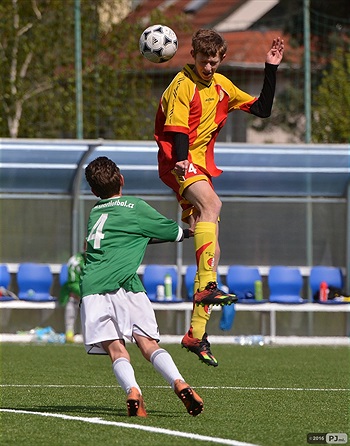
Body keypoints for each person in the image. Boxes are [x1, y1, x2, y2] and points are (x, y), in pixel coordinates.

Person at [154, 29, 284, 367]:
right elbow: (177, 129)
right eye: (203, 61)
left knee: (210, 246)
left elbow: (263, 110)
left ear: (220, 59)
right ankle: (209, 286)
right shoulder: (182, 85)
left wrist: (270, 68)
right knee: (213, 205)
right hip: (177, 161)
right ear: (193, 57)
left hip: (199, 166)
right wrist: (182, 159)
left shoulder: (223, 85)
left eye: (213, 61)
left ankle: (196, 333)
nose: (208, 67)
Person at [80, 156, 203, 418]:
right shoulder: (134, 206)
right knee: (147, 344)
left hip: (93, 287)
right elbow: (173, 232)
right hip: (128, 285)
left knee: (116, 349)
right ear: (121, 179)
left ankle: (133, 391)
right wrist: (191, 228)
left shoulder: (95, 212)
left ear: (93, 191)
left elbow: (120, 240)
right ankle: (179, 382)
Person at [59, 250, 85, 343]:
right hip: (76, 293)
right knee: (72, 299)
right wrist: (84, 293)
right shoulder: (75, 261)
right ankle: (69, 331)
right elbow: (73, 283)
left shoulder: (99, 260)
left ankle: (87, 333)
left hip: (91, 294)